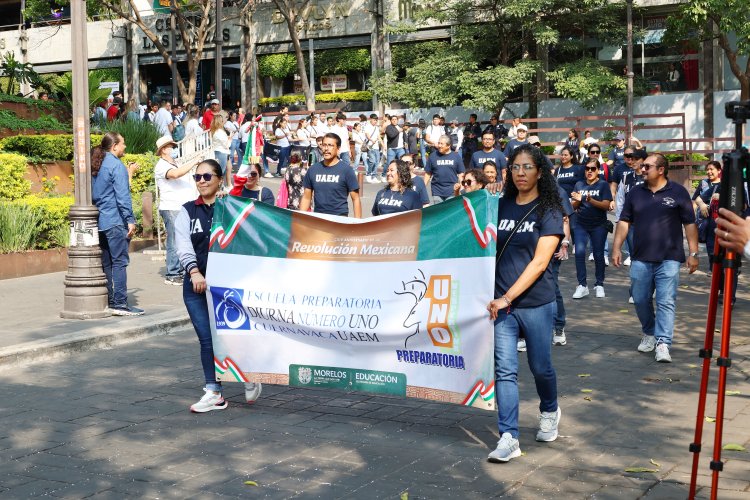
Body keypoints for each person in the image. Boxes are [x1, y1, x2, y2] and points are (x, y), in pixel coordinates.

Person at [486, 144, 563, 463]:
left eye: (527, 167)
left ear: (540, 172)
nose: (520, 173)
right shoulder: (499, 206)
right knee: (504, 370)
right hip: (500, 308)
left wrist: (507, 296)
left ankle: (549, 410)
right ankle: (509, 436)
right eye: (515, 167)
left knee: (540, 366)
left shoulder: (550, 209)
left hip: (536, 303)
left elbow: (540, 263)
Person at [175, 159, 262, 412]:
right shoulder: (187, 211)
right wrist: (193, 272)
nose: (201, 181)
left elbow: (250, 237)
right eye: (197, 177)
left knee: (235, 334)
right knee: (206, 339)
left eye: (206, 176)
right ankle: (214, 391)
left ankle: (248, 374)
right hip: (196, 284)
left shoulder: (229, 209)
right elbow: (183, 245)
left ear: (219, 179)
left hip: (229, 285)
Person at [612, 153, 699, 363]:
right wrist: (616, 248)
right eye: (642, 166)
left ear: (661, 170)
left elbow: (689, 223)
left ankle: (663, 342)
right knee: (640, 299)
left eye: (647, 167)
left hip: (669, 258)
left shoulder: (678, 192)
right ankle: (649, 332)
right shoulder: (635, 192)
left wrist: (693, 253)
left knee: (666, 301)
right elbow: (624, 222)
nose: (642, 169)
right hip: (640, 257)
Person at [91, 132, 144, 316]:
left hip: (100, 221)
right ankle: (120, 303)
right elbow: (123, 196)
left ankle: (111, 300)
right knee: (119, 262)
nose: (125, 147)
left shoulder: (97, 164)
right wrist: (130, 219)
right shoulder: (116, 166)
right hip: (115, 220)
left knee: (107, 263)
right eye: (123, 143)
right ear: (114, 146)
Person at [154, 135, 197, 286]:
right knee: (174, 240)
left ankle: (180, 270)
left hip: (181, 206)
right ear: (163, 150)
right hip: (171, 207)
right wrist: (194, 161)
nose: (173, 149)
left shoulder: (174, 162)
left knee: (182, 239)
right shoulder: (161, 165)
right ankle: (172, 273)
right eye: (170, 147)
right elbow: (175, 174)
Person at [693, 161, 738, 304]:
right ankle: (721, 290)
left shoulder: (738, 189)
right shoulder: (717, 186)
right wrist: (702, 205)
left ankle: (730, 296)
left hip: (731, 233)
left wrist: (724, 200)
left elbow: (742, 206)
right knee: (715, 263)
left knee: (731, 265)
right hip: (714, 232)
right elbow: (699, 198)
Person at [570, 160, 613, 299]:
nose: (589, 171)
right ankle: (582, 285)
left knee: (599, 255)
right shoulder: (579, 184)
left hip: (598, 225)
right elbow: (573, 207)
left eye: (592, 169)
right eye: (587, 168)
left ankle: (599, 284)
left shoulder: (603, 185)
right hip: (581, 224)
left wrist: (588, 199)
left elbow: (606, 205)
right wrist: (577, 200)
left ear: (598, 170)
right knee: (579, 253)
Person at [300, 133, 362, 217]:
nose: (326, 148)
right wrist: (299, 219)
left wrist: (357, 224)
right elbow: (306, 198)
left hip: (339, 221)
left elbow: (356, 199)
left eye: (330, 145)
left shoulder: (347, 170)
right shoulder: (313, 170)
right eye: (324, 145)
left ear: (338, 149)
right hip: (318, 219)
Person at [424, 135, 465, 203]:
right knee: (439, 212)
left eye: (442, 144)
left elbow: (461, 173)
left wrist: (462, 187)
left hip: (451, 191)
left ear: (448, 146)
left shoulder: (456, 156)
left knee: (449, 212)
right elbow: (428, 173)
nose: (439, 145)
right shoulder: (433, 156)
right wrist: (422, 188)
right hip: (436, 190)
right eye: (439, 143)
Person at [210, 114, 231, 186]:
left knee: (220, 171)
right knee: (221, 172)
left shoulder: (215, 131)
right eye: (222, 121)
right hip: (222, 152)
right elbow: (227, 145)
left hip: (218, 151)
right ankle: (219, 187)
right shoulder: (219, 132)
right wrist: (230, 138)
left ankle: (220, 187)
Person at [363, 114, 383, 183]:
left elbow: (379, 137)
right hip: (370, 146)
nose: (375, 121)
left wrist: (383, 145)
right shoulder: (367, 126)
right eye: (374, 120)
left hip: (376, 147)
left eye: (376, 120)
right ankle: (368, 174)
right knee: (372, 161)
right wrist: (371, 140)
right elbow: (367, 135)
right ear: (370, 119)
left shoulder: (376, 128)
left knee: (377, 162)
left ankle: (373, 175)